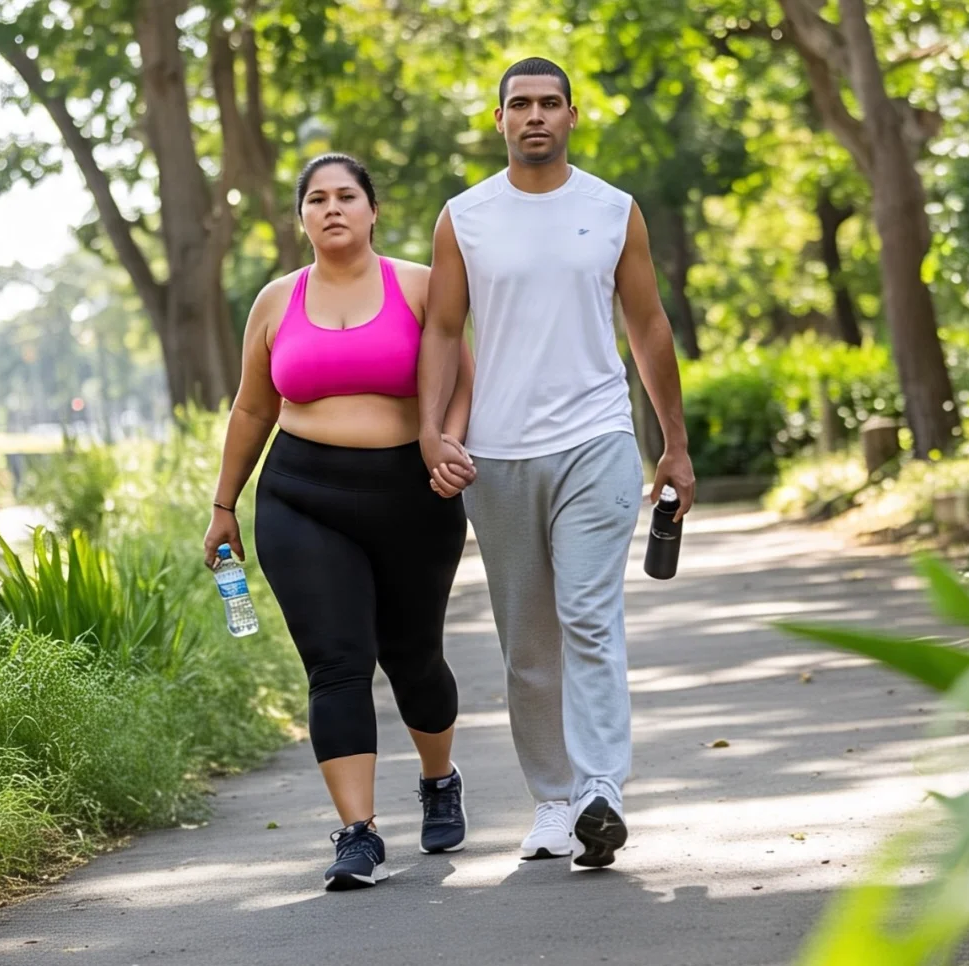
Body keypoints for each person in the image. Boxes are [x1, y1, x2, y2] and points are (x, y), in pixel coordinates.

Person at [417, 58, 696, 869]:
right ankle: (552, 798)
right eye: (519, 104)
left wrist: (673, 443)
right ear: (498, 119)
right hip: (498, 457)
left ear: (572, 115)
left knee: (587, 614)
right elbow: (441, 330)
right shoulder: (463, 218)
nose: (534, 115)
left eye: (548, 103)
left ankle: (601, 788)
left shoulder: (613, 211)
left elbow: (647, 326)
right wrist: (432, 432)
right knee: (528, 645)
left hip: (597, 440)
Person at [203, 153, 477, 891]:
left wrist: (449, 443)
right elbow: (253, 407)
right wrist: (224, 504)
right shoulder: (274, 302)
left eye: (346, 196)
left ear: (372, 209)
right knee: (336, 663)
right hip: (302, 498)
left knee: (413, 656)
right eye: (317, 199)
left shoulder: (419, 287)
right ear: (301, 218)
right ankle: (358, 834)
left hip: (413, 497)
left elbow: (462, 382)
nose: (332, 208)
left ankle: (439, 778)